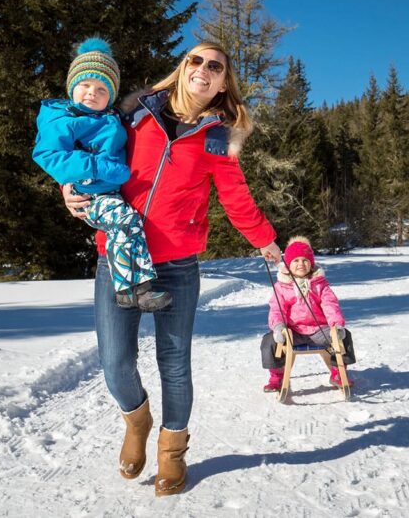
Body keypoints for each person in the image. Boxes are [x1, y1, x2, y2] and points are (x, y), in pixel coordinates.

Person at [62, 42, 281, 496]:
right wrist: (68, 188)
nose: (203, 69)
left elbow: (236, 199)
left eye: (215, 66)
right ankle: (137, 421)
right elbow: (86, 152)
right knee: (114, 361)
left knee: (174, 363)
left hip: (178, 264)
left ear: (223, 84)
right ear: (183, 68)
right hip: (117, 256)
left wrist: (266, 240)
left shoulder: (218, 137)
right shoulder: (134, 113)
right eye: (196, 60)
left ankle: (172, 453)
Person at [33, 37, 171, 312]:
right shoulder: (62, 119)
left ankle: (135, 291)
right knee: (125, 220)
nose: (91, 93)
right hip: (89, 193)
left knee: (127, 226)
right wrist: (99, 167)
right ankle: (132, 289)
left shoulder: (110, 117)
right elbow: (48, 155)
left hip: (109, 192)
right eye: (85, 85)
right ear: (72, 87)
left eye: (101, 89)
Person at [261, 236, 356, 392]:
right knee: (269, 341)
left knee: (344, 337)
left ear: (311, 263)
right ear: (288, 265)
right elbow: (277, 308)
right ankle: (277, 376)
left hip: (319, 331)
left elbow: (330, 305)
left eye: (305, 260)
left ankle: (338, 371)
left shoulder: (320, 284)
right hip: (293, 332)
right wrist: (278, 327)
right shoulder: (282, 286)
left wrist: (337, 326)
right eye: (296, 260)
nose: (301, 264)